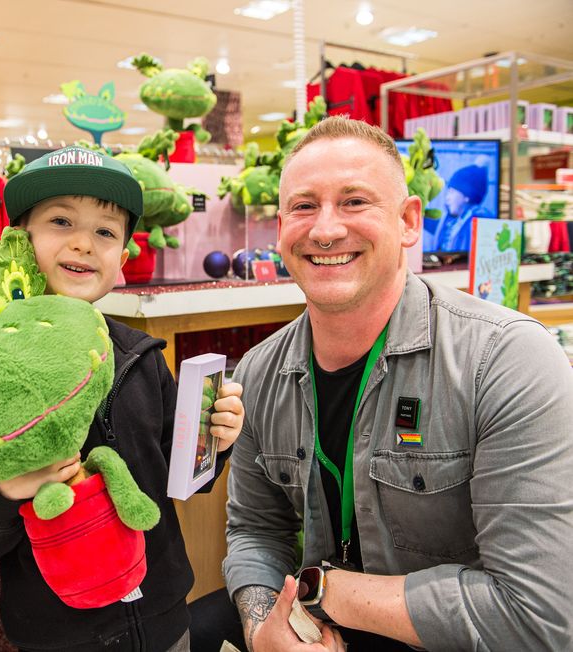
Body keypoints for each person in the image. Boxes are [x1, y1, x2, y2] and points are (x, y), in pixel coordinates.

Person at [223, 116, 573, 651]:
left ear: (409, 221)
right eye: (303, 206)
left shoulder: (506, 359)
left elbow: (539, 616)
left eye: (355, 201)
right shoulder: (257, 374)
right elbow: (254, 531)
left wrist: (325, 590)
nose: (325, 229)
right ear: (280, 229)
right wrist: (262, 629)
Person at [0, 145, 246, 652]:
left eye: (105, 232)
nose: (84, 243)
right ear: (19, 243)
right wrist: (6, 490)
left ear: (122, 261)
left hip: (165, 618)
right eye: (61, 222)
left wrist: (216, 440)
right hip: (57, 634)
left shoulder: (143, 357)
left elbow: (187, 482)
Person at [422, 163, 492, 253]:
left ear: (467, 196)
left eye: (451, 192)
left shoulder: (480, 221)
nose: (447, 197)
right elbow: (434, 225)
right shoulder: (450, 221)